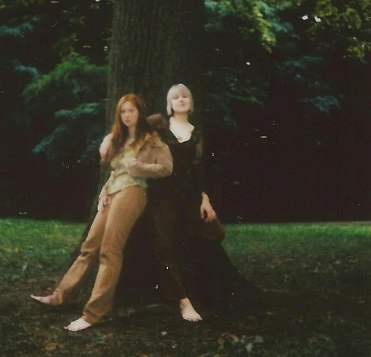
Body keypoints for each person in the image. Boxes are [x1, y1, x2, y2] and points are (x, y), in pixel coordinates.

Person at [31, 94, 173, 331]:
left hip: (133, 191)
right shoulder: (117, 139)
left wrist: (140, 168)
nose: (127, 116)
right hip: (113, 192)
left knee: (109, 250)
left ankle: (93, 314)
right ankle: (59, 297)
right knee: (89, 246)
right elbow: (114, 172)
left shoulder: (151, 139)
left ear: (140, 112)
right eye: (123, 112)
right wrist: (104, 191)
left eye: (131, 111)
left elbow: (167, 168)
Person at [147, 83, 255, 321]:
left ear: (190, 102)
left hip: (189, 197)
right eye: (176, 97)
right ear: (169, 103)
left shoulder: (195, 132)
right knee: (165, 246)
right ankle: (182, 302)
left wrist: (205, 199)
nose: (181, 99)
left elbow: (199, 170)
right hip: (162, 195)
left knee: (192, 245)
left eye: (185, 95)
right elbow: (130, 134)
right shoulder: (158, 123)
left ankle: (200, 296)